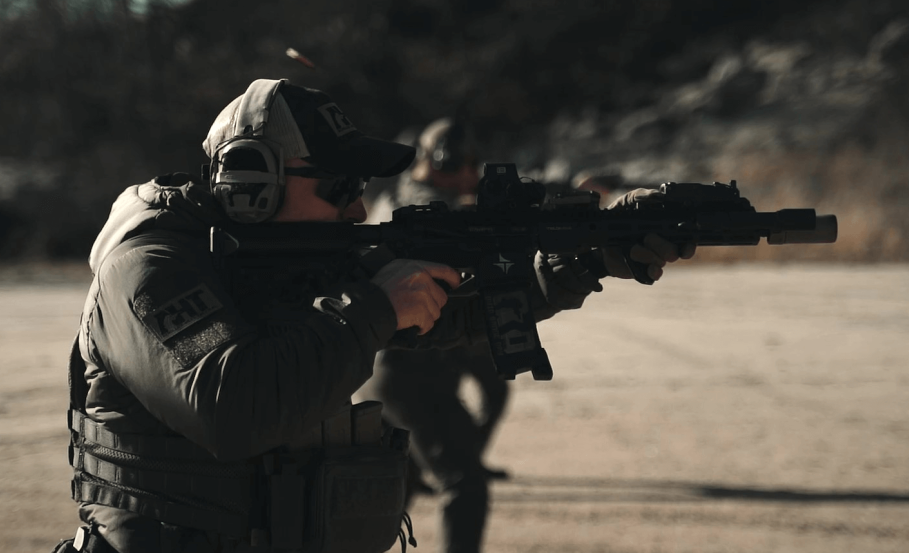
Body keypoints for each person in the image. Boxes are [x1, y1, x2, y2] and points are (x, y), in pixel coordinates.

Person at [56, 78, 694, 553]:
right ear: (253, 182)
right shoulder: (149, 267)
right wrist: (374, 306)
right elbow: (232, 406)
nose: (358, 210)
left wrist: (586, 260)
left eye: (360, 189)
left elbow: (447, 313)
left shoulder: (293, 258)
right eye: (339, 188)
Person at [357, 117, 512, 553]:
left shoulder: (402, 199)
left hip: (385, 365)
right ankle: (454, 459)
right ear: (448, 160)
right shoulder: (435, 215)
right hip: (411, 369)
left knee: (401, 483)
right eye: (472, 163)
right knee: (465, 483)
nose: (475, 173)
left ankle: (444, 458)